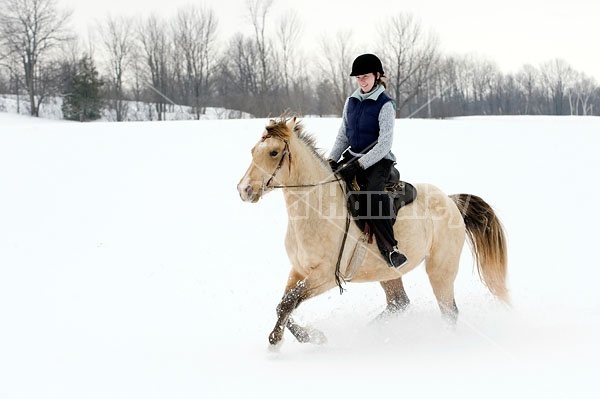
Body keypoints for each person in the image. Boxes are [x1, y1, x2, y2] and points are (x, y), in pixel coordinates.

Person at [327, 53, 408, 269]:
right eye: (359, 77)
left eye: (366, 76)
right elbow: (343, 135)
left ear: (377, 75)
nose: (362, 81)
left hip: (378, 161)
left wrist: (360, 165)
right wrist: (332, 160)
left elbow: (384, 145)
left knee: (372, 196)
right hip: (353, 156)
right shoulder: (351, 101)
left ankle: (391, 249)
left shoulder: (385, 105)